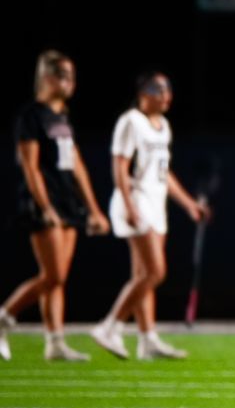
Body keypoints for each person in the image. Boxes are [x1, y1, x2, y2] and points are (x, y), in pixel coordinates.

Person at [1, 51, 111, 363]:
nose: (70, 82)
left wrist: (93, 209)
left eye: (72, 76)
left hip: (67, 200)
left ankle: (55, 342)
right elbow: (30, 166)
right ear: (47, 77)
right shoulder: (31, 116)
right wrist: (45, 205)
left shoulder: (62, 116)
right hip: (45, 201)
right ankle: (5, 315)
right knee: (52, 274)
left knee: (58, 278)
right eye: (64, 75)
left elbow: (77, 165)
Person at [88, 73, 206, 361]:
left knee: (143, 276)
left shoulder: (163, 126)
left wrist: (189, 204)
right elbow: (119, 166)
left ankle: (147, 340)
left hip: (156, 204)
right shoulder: (131, 121)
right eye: (158, 88)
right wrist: (129, 205)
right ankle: (109, 326)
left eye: (168, 88)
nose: (166, 94)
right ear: (142, 92)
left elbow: (164, 174)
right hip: (136, 200)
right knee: (155, 271)